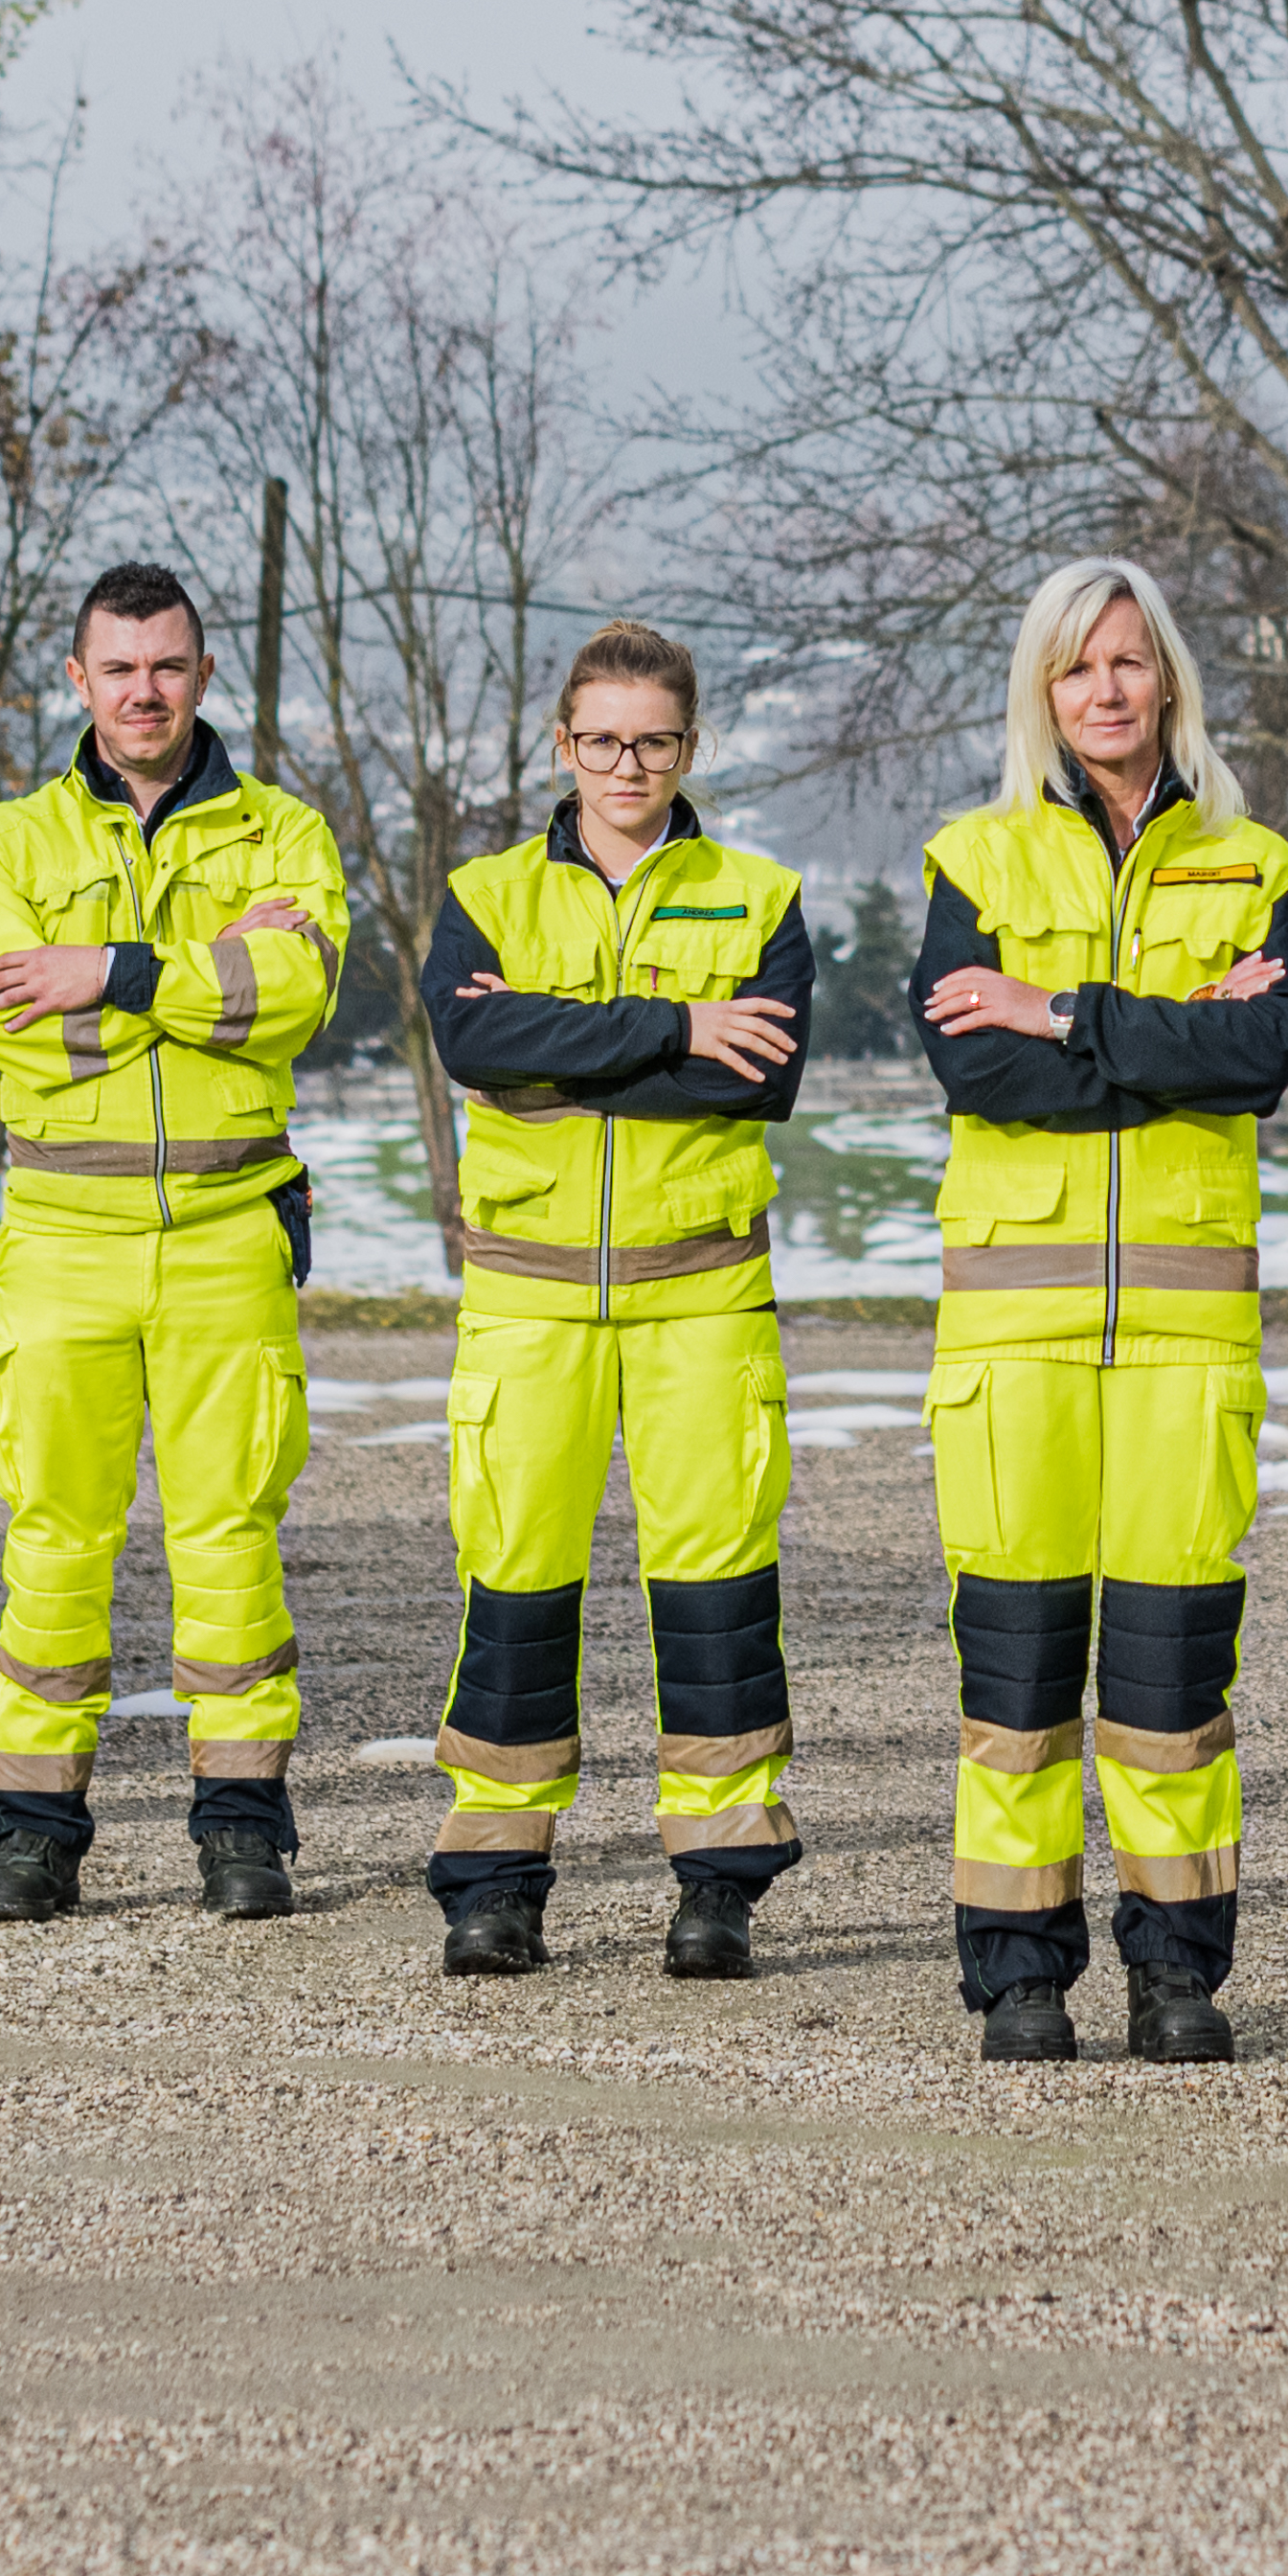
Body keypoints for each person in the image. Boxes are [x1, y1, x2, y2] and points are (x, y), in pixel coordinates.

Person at [913, 559, 1288, 2067]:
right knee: (1015, 1676)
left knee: (1169, 1679)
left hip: (1186, 1335)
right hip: (1013, 1340)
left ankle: (1176, 1974)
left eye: (1129, 664)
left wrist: (1064, 1011)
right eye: (1077, 668)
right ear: (1042, 689)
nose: (1105, 691)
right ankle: (1020, 1976)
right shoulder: (974, 861)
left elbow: (1262, 1058)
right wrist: (1171, 1037)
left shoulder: (1255, 863)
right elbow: (980, 1074)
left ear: (1169, 683)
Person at [0, 562, 350, 1924]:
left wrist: (108, 968)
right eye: (118, 669)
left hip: (230, 1230)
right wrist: (200, 967)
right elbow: (22, 1031)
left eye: (167, 666)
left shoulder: (287, 834)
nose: (143, 692)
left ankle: (242, 1832)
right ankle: (32, 1836)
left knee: (232, 1538)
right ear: (76, 681)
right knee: (56, 1538)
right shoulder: (5, 849)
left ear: (204, 675)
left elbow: (288, 1003)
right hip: (61, 1236)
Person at [411, 623, 818, 1982]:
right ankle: (495, 1877)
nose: (626, 763)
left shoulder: (760, 896)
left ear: (690, 747)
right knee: (517, 1575)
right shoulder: (483, 895)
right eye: (603, 739)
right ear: (562, 746)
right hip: (528, 1299)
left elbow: (757, 1080)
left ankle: (718, 1880)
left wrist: (568, 1045)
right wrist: (671, 1028)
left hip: (700, 1290)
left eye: (653, 740)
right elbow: (476, 1039)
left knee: (712, 1584)